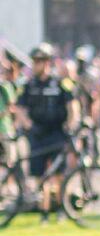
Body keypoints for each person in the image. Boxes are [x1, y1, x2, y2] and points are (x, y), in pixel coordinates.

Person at [13, 44, 78, 218]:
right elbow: (19, 107)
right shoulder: (28, 85)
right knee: (39, 175)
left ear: (48, 62)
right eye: (34, 61)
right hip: (37, 133)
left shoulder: (61, 83)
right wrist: (27, 124)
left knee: (59, 174)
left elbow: (72, 105)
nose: (35, 65)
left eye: (39, 61)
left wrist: (71, 125)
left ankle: (62, 209)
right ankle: (44, 210)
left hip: (56, 133)